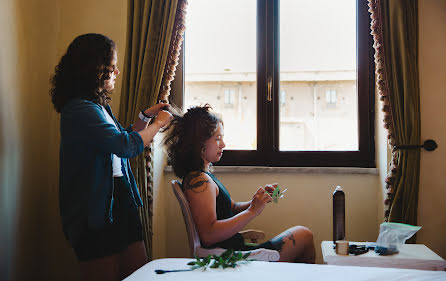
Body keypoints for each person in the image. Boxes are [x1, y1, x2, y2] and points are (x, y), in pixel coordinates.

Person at [50, 33, 173, 281]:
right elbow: (125, 146)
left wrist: (145, 119)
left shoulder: (98, 107)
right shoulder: (78, 109)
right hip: (95, 206)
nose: (116, 73)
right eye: (112, 67)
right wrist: (158, 124)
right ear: (96, 69)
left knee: (139, 274)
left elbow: (121, 141)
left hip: (120, 198)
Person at [163, 104, 315, 263]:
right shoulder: (200, 182)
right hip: (231, 256)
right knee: (304, 235)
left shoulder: (203, 177)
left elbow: (232, 208)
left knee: (302, 235)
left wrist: (257, 201)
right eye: (217, 139)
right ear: (199, 144)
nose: (223, 144)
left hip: (234, 250)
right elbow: (208, 236)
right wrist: (252, 212)